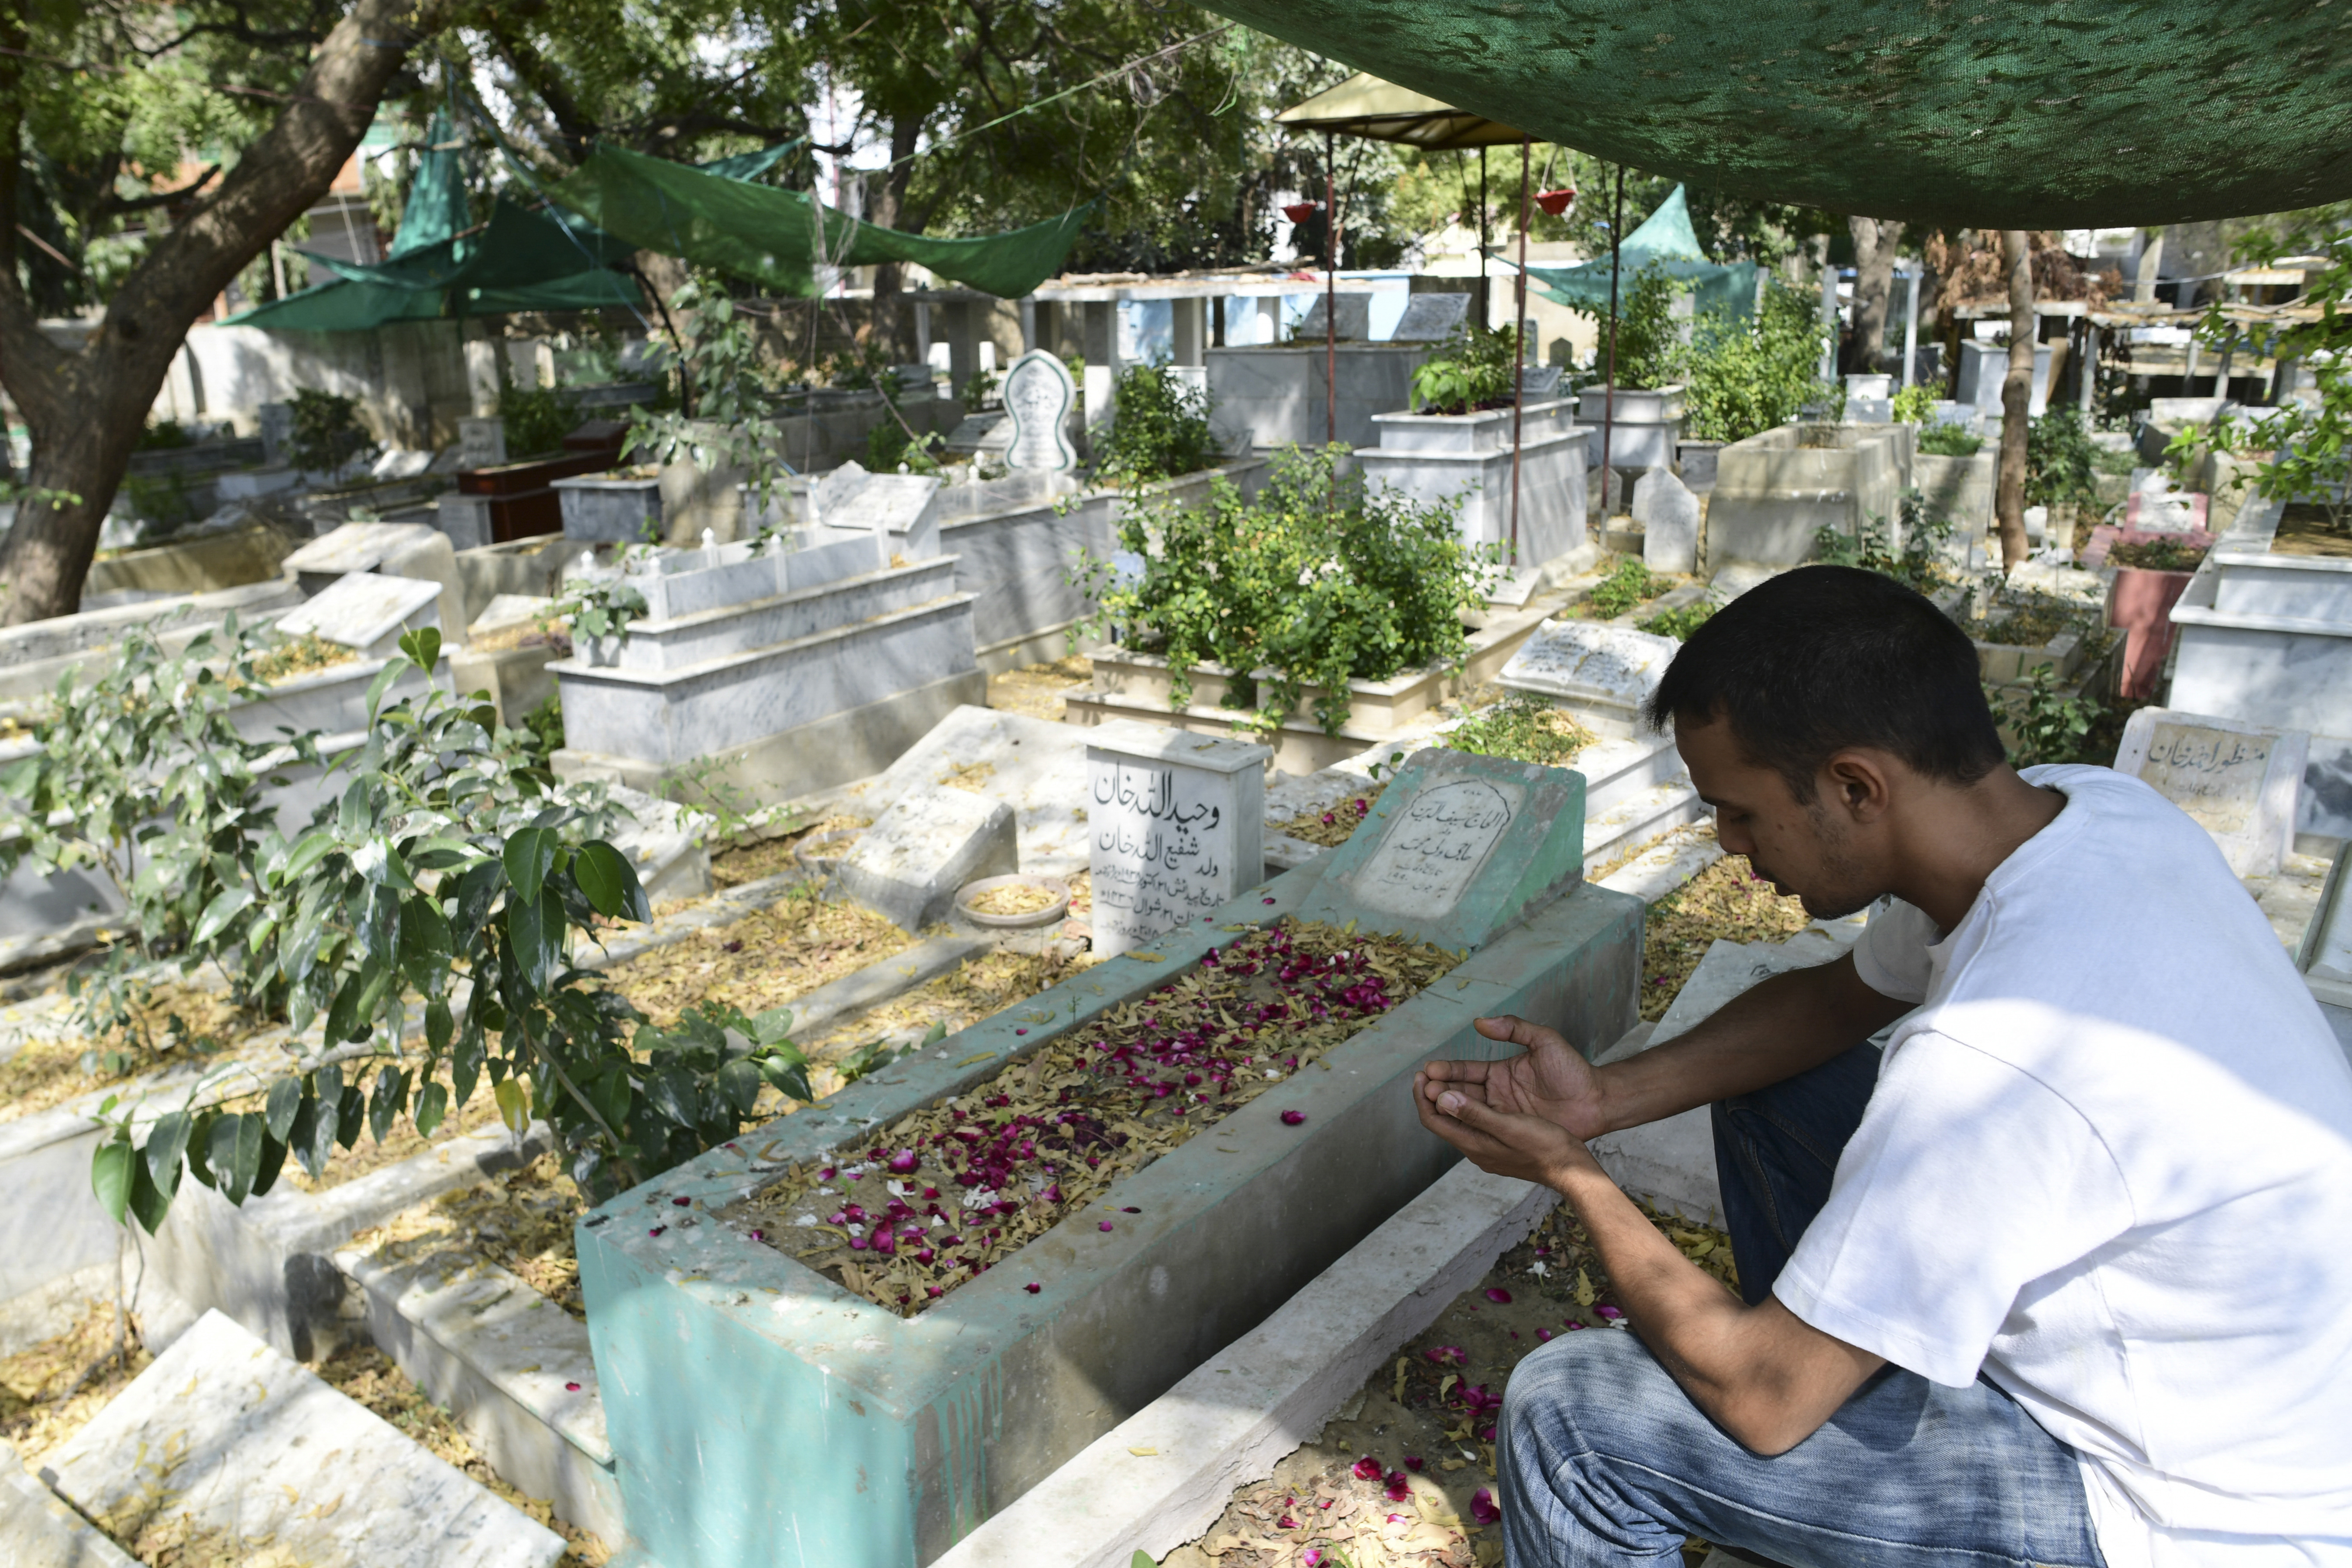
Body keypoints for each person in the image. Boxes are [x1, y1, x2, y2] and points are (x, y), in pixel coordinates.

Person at [1414, 565, 2352, 1568]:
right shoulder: (2091, 815)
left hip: (2189, 1515)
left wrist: (1572, 1173)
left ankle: (1823, 1401)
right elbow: (1830, 1003)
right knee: (1776, 1088)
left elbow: (1761, 1401)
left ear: (1857, 786)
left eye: (1738, 809)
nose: (1727, 845)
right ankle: (1830, 1433)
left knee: (1573, 1417)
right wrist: (1604, 1099)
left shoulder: (1992, 1056)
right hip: (2263, 1401)